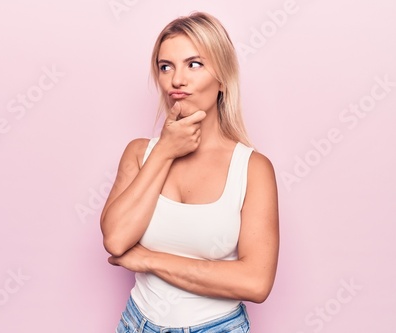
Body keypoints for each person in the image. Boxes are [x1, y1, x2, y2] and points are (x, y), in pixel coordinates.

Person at [100, 12, 279, 333]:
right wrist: (166, 151)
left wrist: (151, 260)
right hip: (136, 323)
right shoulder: (140, 153)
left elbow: (256, 282)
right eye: (165, 66)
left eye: (194, 64)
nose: (176, 80)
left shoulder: (252, 168)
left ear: (222, 78)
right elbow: (115, 240)